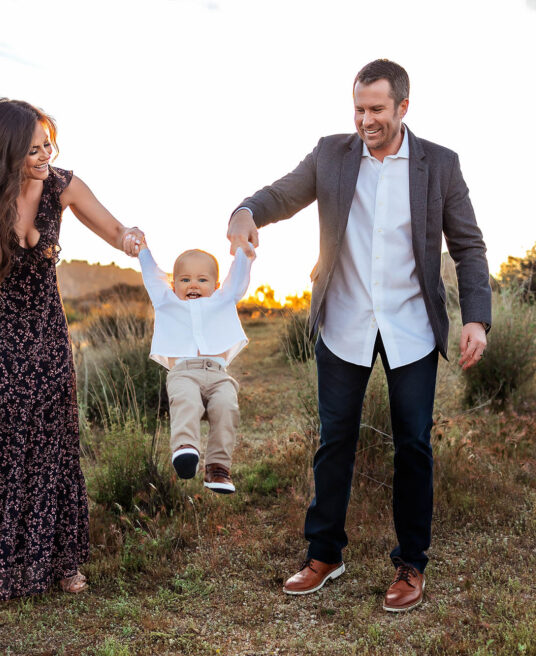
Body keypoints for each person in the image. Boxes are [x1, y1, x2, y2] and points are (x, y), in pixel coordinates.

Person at [228, 59, 492, 612]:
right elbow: (281, 195)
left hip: (412, 325)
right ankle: (324, 555)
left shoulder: (439, 165)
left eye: (376, 109)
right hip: (344, 320)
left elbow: (468, 246)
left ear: (403, 107)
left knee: (414, 445)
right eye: (358, 108)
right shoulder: (331, 154)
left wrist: (475, 318)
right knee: (334, 442)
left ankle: (411, 564)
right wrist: (247, 210)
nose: (365, 120)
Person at [0, 98, 144, 615]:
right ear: (4, 152)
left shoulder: (63, 185)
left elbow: (113, 230)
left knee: (51, 440)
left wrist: (130, 237)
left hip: (45, 335)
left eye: (48, 143)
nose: (45, 155)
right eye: (33, 149)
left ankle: (58, 558)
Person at [135, 237, 254, 493]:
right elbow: (153, 278)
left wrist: (243, 253)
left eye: (202, 279)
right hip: (183, 373)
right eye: (185, 279)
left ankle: (218, 469)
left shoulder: (223, 300)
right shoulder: (167, 301)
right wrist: (143, 251)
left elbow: (237, 280)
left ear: (216, 285)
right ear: (173, 283)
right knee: (186, 402)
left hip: (218, 374)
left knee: (227, 406)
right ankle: (185, 450)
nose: (193, 285)